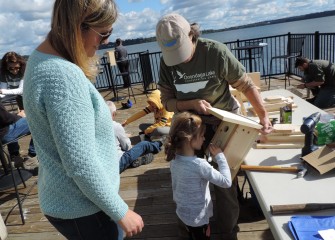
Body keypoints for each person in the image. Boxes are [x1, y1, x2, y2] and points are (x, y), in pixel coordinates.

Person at [23, 0, 143, 239]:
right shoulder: (63, 76)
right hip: (85, 209)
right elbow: (80, 162)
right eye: (104, 33)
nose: (106, 41)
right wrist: (121, 211)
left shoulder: (39, 59)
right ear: (79, 26)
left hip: (67, 199)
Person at [156, 13, 272, 240]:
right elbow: (167, 102)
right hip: (189, 125)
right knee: (185, 179)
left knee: (224, 183)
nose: (179, 59)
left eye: (182, 50)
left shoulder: (216, 52)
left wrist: (263, 116)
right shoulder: (165, 62)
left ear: (192, 34)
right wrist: (190, 104)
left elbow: (246, 85)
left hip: (223, 121)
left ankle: (228, 231)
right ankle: (188, 229)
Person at [165, 111, 232, 240]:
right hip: (199, 218)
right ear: (190, 139)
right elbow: (226, 182)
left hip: (182, 213)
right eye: (202, 135)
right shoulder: (200, 165)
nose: (204, 138)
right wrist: (220, 157)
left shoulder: (174, 159)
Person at [106, 101, 162, 172]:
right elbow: (127, 147)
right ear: (113, 114)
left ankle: (133, 160)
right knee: (144, 144)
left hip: (103, 167)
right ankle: (158, 144)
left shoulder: (92, 126)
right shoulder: (116, 126)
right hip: (116, 165)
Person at [0, 101, 37, 171]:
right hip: (4, 135)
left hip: (3, 131)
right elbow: (6, 118)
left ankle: (14, 157)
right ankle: (32, 156)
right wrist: (19, 115)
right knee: (37, 120)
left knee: (13, 124)